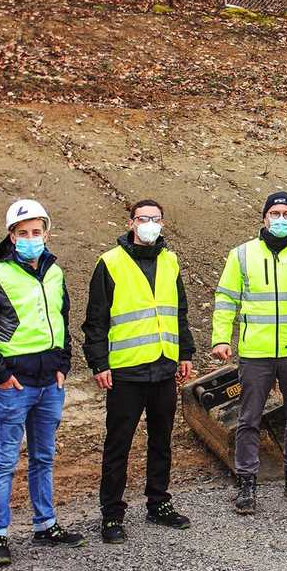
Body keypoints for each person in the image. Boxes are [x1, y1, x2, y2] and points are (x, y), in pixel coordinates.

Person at [82, 199, 196, 543]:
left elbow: (179, 312)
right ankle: (112, 515)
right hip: (126, 372)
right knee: (118, 445)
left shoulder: (169, 259)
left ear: (163, 224)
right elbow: (95, 321)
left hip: (163, 367)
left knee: (161, 441)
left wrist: (185, 353)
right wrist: (99, 363)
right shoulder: (110, 263)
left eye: (156, 219)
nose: (150, 224)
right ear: (132, 223)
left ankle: (158, 502)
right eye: (144, 218)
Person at [0, 200, 82, 567]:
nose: (30, 239)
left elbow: (62, 320)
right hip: (15, 385)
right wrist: (1, 374)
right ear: (11, 236)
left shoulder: (55, 273)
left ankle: (46, 523)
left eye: (36, 232)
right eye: (22, 233)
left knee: (44, 456)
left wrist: (63, 364)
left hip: (49, 382)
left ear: (46, 233)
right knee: (6, 459)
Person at [212, 192, 287, 515]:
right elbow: (225, 299)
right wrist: (221, 338)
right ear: (264, 218)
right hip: (256, 351)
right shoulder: (242, 255)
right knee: (249, 418)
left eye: (286, 214)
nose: (280, 219)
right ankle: (247, 482)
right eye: (274, 213)